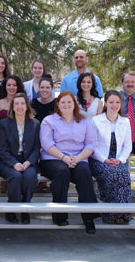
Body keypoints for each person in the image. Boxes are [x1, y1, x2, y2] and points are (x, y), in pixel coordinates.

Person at [39, 91, 99, 234]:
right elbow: (47, 144)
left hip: (78, 158)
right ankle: (59, 215)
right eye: (63, 102)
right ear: (58, 105)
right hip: (53, 159)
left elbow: (91, 144)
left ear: (74, 104)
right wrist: (64, 158)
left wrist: (77, 159)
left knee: (84, 172)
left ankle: (89, 218)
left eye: (69, 102)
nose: (66, 105)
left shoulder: (84, 121)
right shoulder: (49, 121)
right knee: (62, 172)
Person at [90, 90, 132, 224]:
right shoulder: (96, 121)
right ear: (106, 103)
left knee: (124, 175)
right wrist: (105, 160)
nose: (114, 105)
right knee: (111, 174)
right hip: (99, 160)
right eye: (111, 102)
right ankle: (110, 214)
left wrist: (120, 160)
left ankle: (123, 214)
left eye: (117, 102)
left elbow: (127, 146)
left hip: (118, 160)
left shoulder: (125, 122)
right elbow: (93, 146)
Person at [0, 93, 40, 224]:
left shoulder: (35, 124)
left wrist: (28, 162)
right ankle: (12, 209)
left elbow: (36, 148)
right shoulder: (4, 123)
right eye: (17, 104)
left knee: (30, 177)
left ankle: (25, 208)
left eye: (22, 103)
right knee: (16, 176)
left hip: (28, 161)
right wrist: (14, 163)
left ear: (27, 106)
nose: (20, 106)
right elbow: (2, 148)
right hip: (8, 161)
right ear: (12, 107)